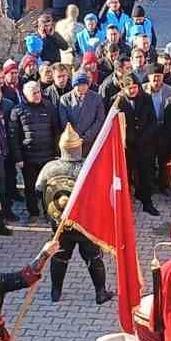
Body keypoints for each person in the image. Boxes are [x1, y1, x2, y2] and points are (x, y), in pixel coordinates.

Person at [37, 125, 115, 303]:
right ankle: (100, 293)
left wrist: (50, 214)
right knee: (93, 257)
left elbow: (38, 190)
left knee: (59, 257)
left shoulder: (50, 167)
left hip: (60, 223)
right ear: (78, 147)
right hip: (84, 224)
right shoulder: (88, 168)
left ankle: (55, 293)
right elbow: (99, 195)